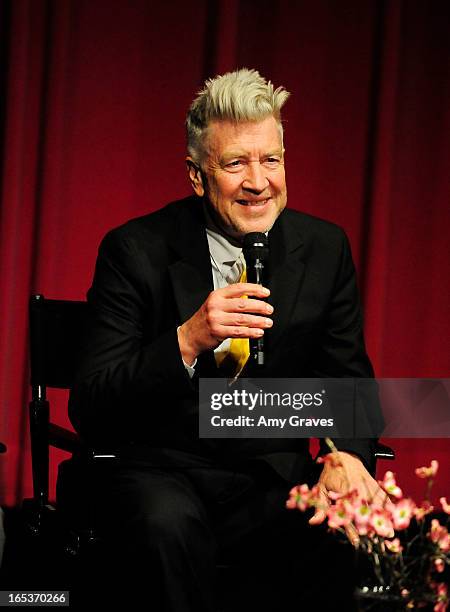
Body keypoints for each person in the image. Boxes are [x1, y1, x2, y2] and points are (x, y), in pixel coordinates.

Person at [66, 69, 384, 611]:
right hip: (162, 473)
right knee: (166, 527)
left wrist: (345, 456)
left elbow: (348, 386)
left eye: (272, 160)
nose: (258, 181)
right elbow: (91, 403)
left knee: (351, 530)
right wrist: (187, 340)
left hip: (270, 479)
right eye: (236, 163)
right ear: (197, 177)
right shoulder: (134, 249)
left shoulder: (326, 249)